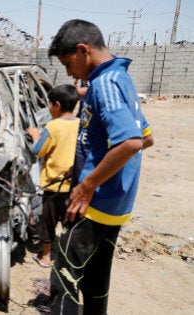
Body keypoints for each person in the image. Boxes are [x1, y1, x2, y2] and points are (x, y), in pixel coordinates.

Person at [47, 19, 153, 314]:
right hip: (114, 204)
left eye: (68, 63)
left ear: (83, 50)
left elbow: (130, 143)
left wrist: (87, 184)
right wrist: (84, 165)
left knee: (64, 281)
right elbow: (147, 137)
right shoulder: (120, 78)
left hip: (93, 205)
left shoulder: (104, 83)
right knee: (95, 280)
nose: (68, 73)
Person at [26, 84, 80, 268]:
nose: (48, 108)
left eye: (49, 104)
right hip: (73, 186)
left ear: (56, 105)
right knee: (69, 222)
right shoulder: (80, 123)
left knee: (48, 222)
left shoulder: (52, 126)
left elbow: (39, 150)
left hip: (54, 186)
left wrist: (35, 135)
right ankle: (67, 256)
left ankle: (46, 257)